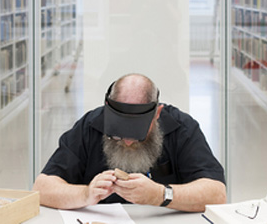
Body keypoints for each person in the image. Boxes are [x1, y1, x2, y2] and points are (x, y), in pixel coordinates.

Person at [33, 73, 227, 212]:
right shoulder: (90, 126)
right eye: (116, 135)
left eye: (137, 136)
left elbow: (217, 193)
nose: (126, 142)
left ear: (157, 114)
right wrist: (85, 194)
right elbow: (42, 187)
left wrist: (161, 195)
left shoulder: (181, 128)